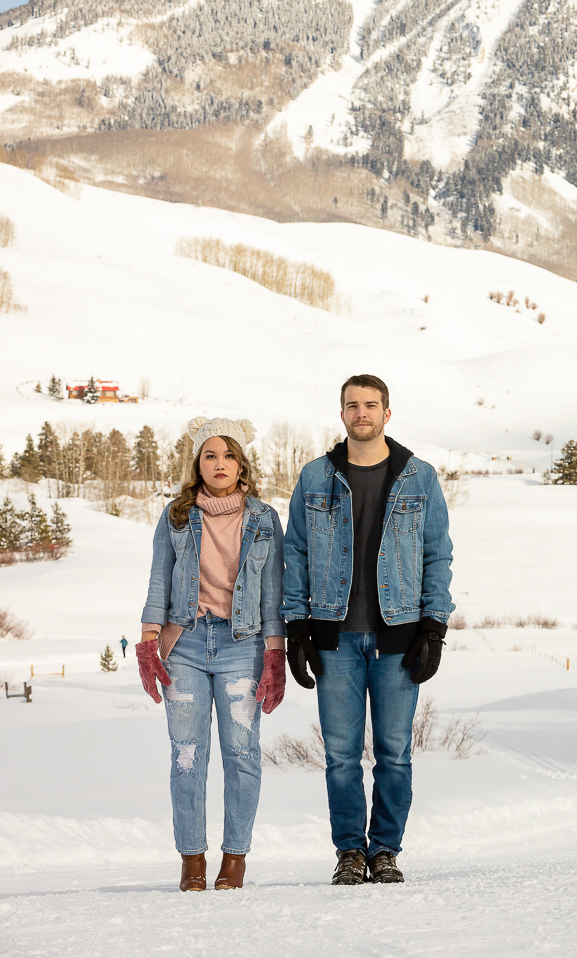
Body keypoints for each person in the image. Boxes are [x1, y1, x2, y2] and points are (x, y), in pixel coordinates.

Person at [283, 374, 453, 886]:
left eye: (371, 405)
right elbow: (295, 552)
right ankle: (349, 853)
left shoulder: (418, 477)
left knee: (394, 754)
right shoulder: (315, 476)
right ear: (342, 415)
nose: (362, 413)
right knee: (340, 756)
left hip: (398, 637)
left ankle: (385, 852)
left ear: (387, 413)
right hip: (335, 638)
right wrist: (297, 628)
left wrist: (434, 627)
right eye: (353, 405)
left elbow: (437, 554)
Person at [137, 416, 286, 892]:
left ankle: (235, 858)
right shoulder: (177, 516)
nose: (219, 464)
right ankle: (192, 860)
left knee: (241, 752)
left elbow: (272, 590)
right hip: (184, 645)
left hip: (242, 645)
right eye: (209, 455)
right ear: (197, 463)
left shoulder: (264, 518)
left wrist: (274, 653)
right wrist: (147, 640)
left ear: (242, 464)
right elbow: (160, 577)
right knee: (187, 753)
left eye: (228, 455)